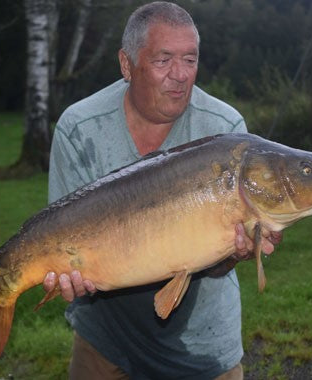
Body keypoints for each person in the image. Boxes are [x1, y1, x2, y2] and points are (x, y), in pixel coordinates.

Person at [45, 2, 281, 379]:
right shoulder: (79, 127)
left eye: (190, 59)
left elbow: (221, 256)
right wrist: (64, 275)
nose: (180, 75)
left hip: (203, 346)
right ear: (126, 64)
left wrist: (237, 251)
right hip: (105, 339)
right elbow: (60, 236)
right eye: (163, 60)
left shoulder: (227, 132)